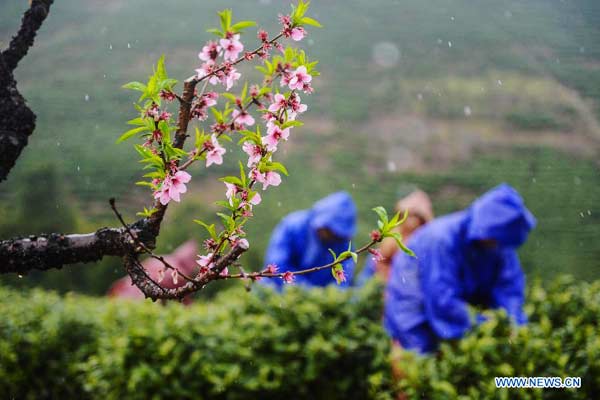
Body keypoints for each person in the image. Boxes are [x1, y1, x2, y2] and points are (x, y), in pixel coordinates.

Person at [384, 183, 536, 353]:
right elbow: (441, 297)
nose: (495, 245)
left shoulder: (497, 246)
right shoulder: (441, 240)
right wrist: (482, 324)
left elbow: (509, 288)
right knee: (419, 352)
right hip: (414, 299)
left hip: (457, 302)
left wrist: (513, 324)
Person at [263, 191, 357, 288]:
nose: (331, 236)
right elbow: (277, 264)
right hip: (277, 292)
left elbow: (343, 280)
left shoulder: (342, 243)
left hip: (320, 300)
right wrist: (304, 290)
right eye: (329, 230)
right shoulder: (293, 226)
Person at [357, 190, 433, 285]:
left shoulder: (424, 239)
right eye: (409, 215)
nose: (411, 220)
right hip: (382, 272)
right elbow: (382, 261)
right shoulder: (395, 235)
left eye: (415, 216)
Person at [108, 240, 198, 303]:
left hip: (131, 290)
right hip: (142, 296)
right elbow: (183, 298)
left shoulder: (164, 259)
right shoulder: (178, 273)